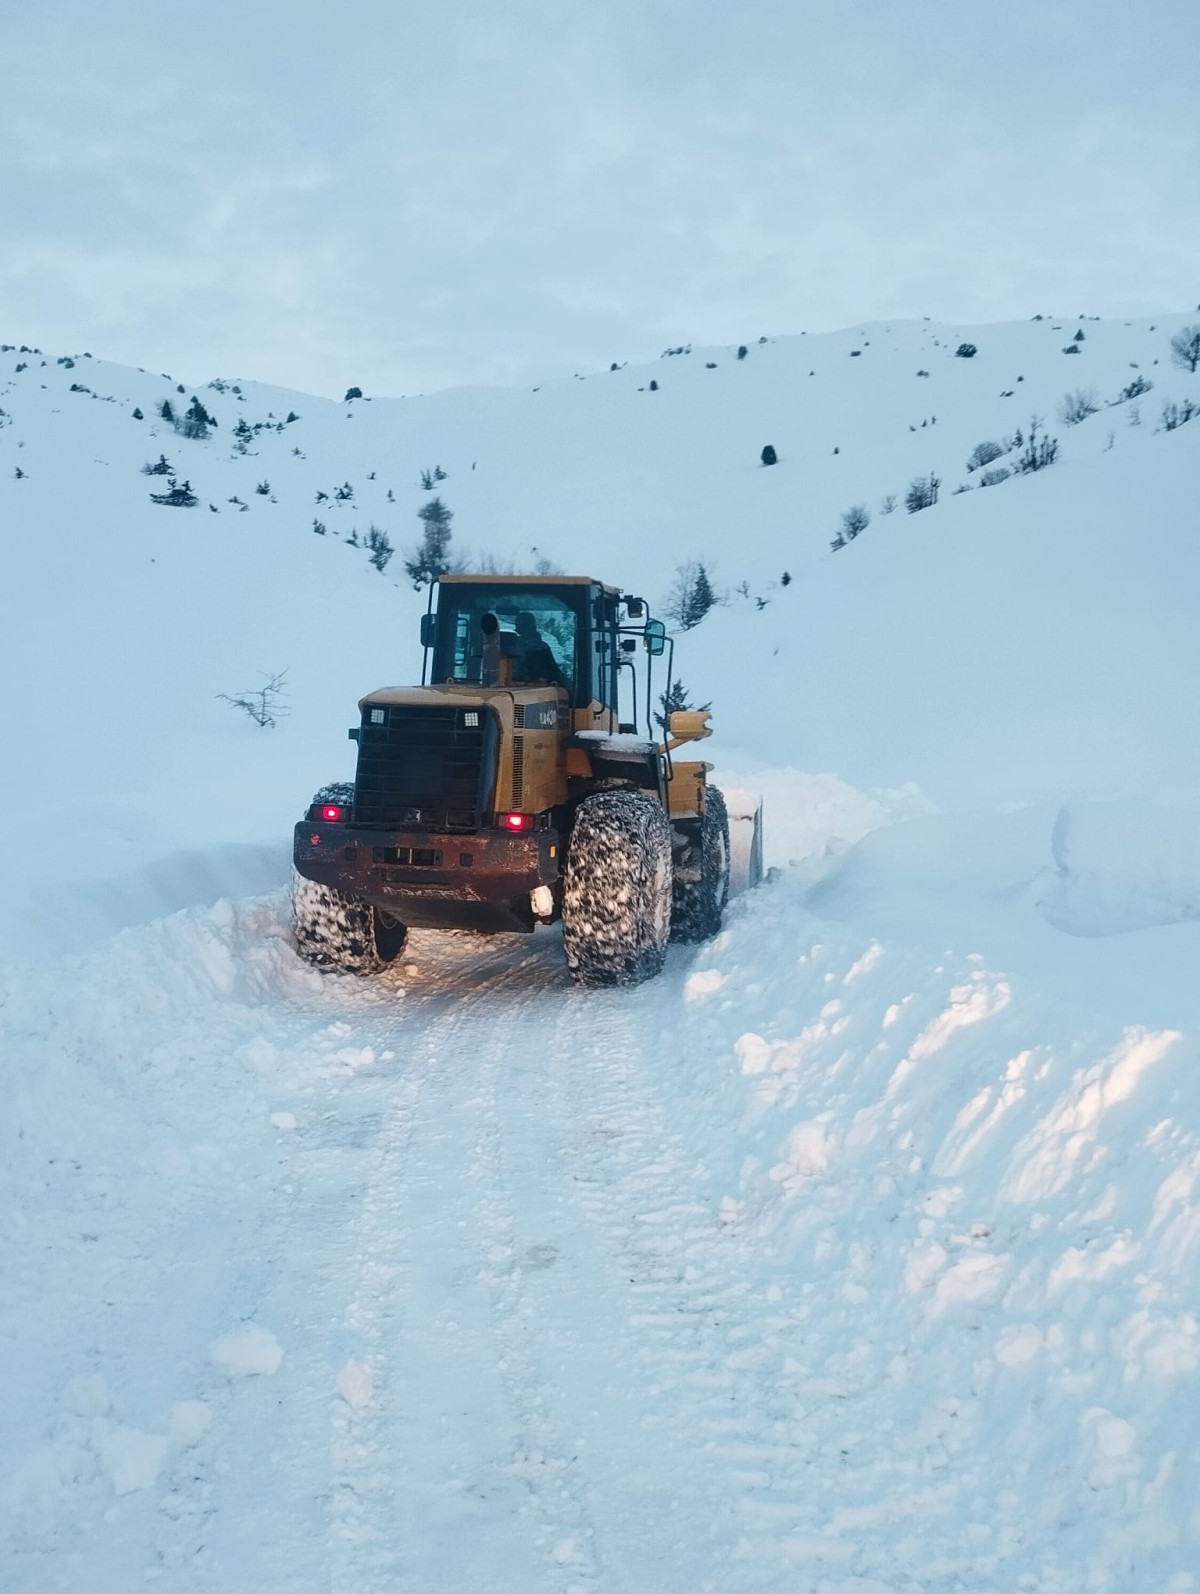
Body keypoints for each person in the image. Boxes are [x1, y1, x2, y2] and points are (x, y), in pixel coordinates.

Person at [511, 611, 564, 686]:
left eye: (526, 625)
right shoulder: (508, 648)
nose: (523, 629)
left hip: (539, 692)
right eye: (521, 625)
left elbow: (555, 677)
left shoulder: (542, 649)